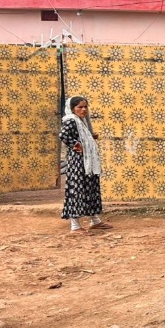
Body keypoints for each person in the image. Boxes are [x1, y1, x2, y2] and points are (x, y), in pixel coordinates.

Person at [60, 96, 112, 234]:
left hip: (87, 162)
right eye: (80, 107)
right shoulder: (71, 120)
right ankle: (75, 226)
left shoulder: (81, 121)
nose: (84, 110)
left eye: (85, 107)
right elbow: (64, 135)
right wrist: (77, 145)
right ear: (72, 109)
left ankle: (95, 221)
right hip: (78, 162)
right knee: (78, 191)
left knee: (90, 188)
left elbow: (79, 136)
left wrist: (89, 138)